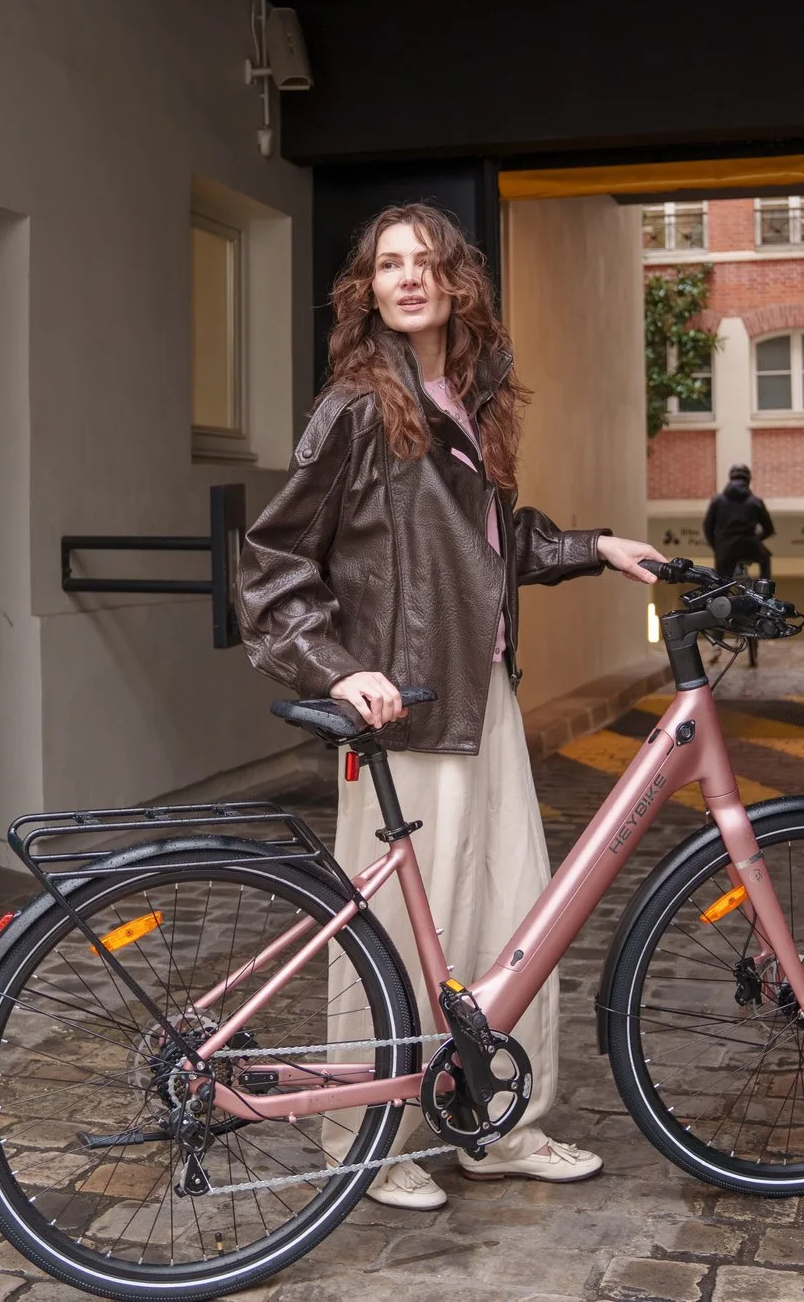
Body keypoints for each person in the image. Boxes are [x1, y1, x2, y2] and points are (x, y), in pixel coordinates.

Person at [236, 203, 667, 1211]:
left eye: (424, 261)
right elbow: (272, 561)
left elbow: (480, 549)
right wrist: (334, 667)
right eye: (388, 263)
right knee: (389, 927)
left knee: (512, 911)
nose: (408, 277)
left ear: (455, 280)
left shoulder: (466, 397)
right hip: (405, 708)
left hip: (483, 693)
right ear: (368, 287)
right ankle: (367, 1134)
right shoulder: (354, 406)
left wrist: (594, 547)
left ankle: (497, 1124)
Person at [702, 463, 775, 585]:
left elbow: (707, 527)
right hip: (749, 544)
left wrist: (717, 546)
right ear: (748, 479)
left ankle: (720, 594)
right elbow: (769, 528)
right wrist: (757, 538)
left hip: (726, 548)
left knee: (721, 582)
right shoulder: (755, 501)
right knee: (765, 558)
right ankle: (764, 588)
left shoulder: (717, 501)